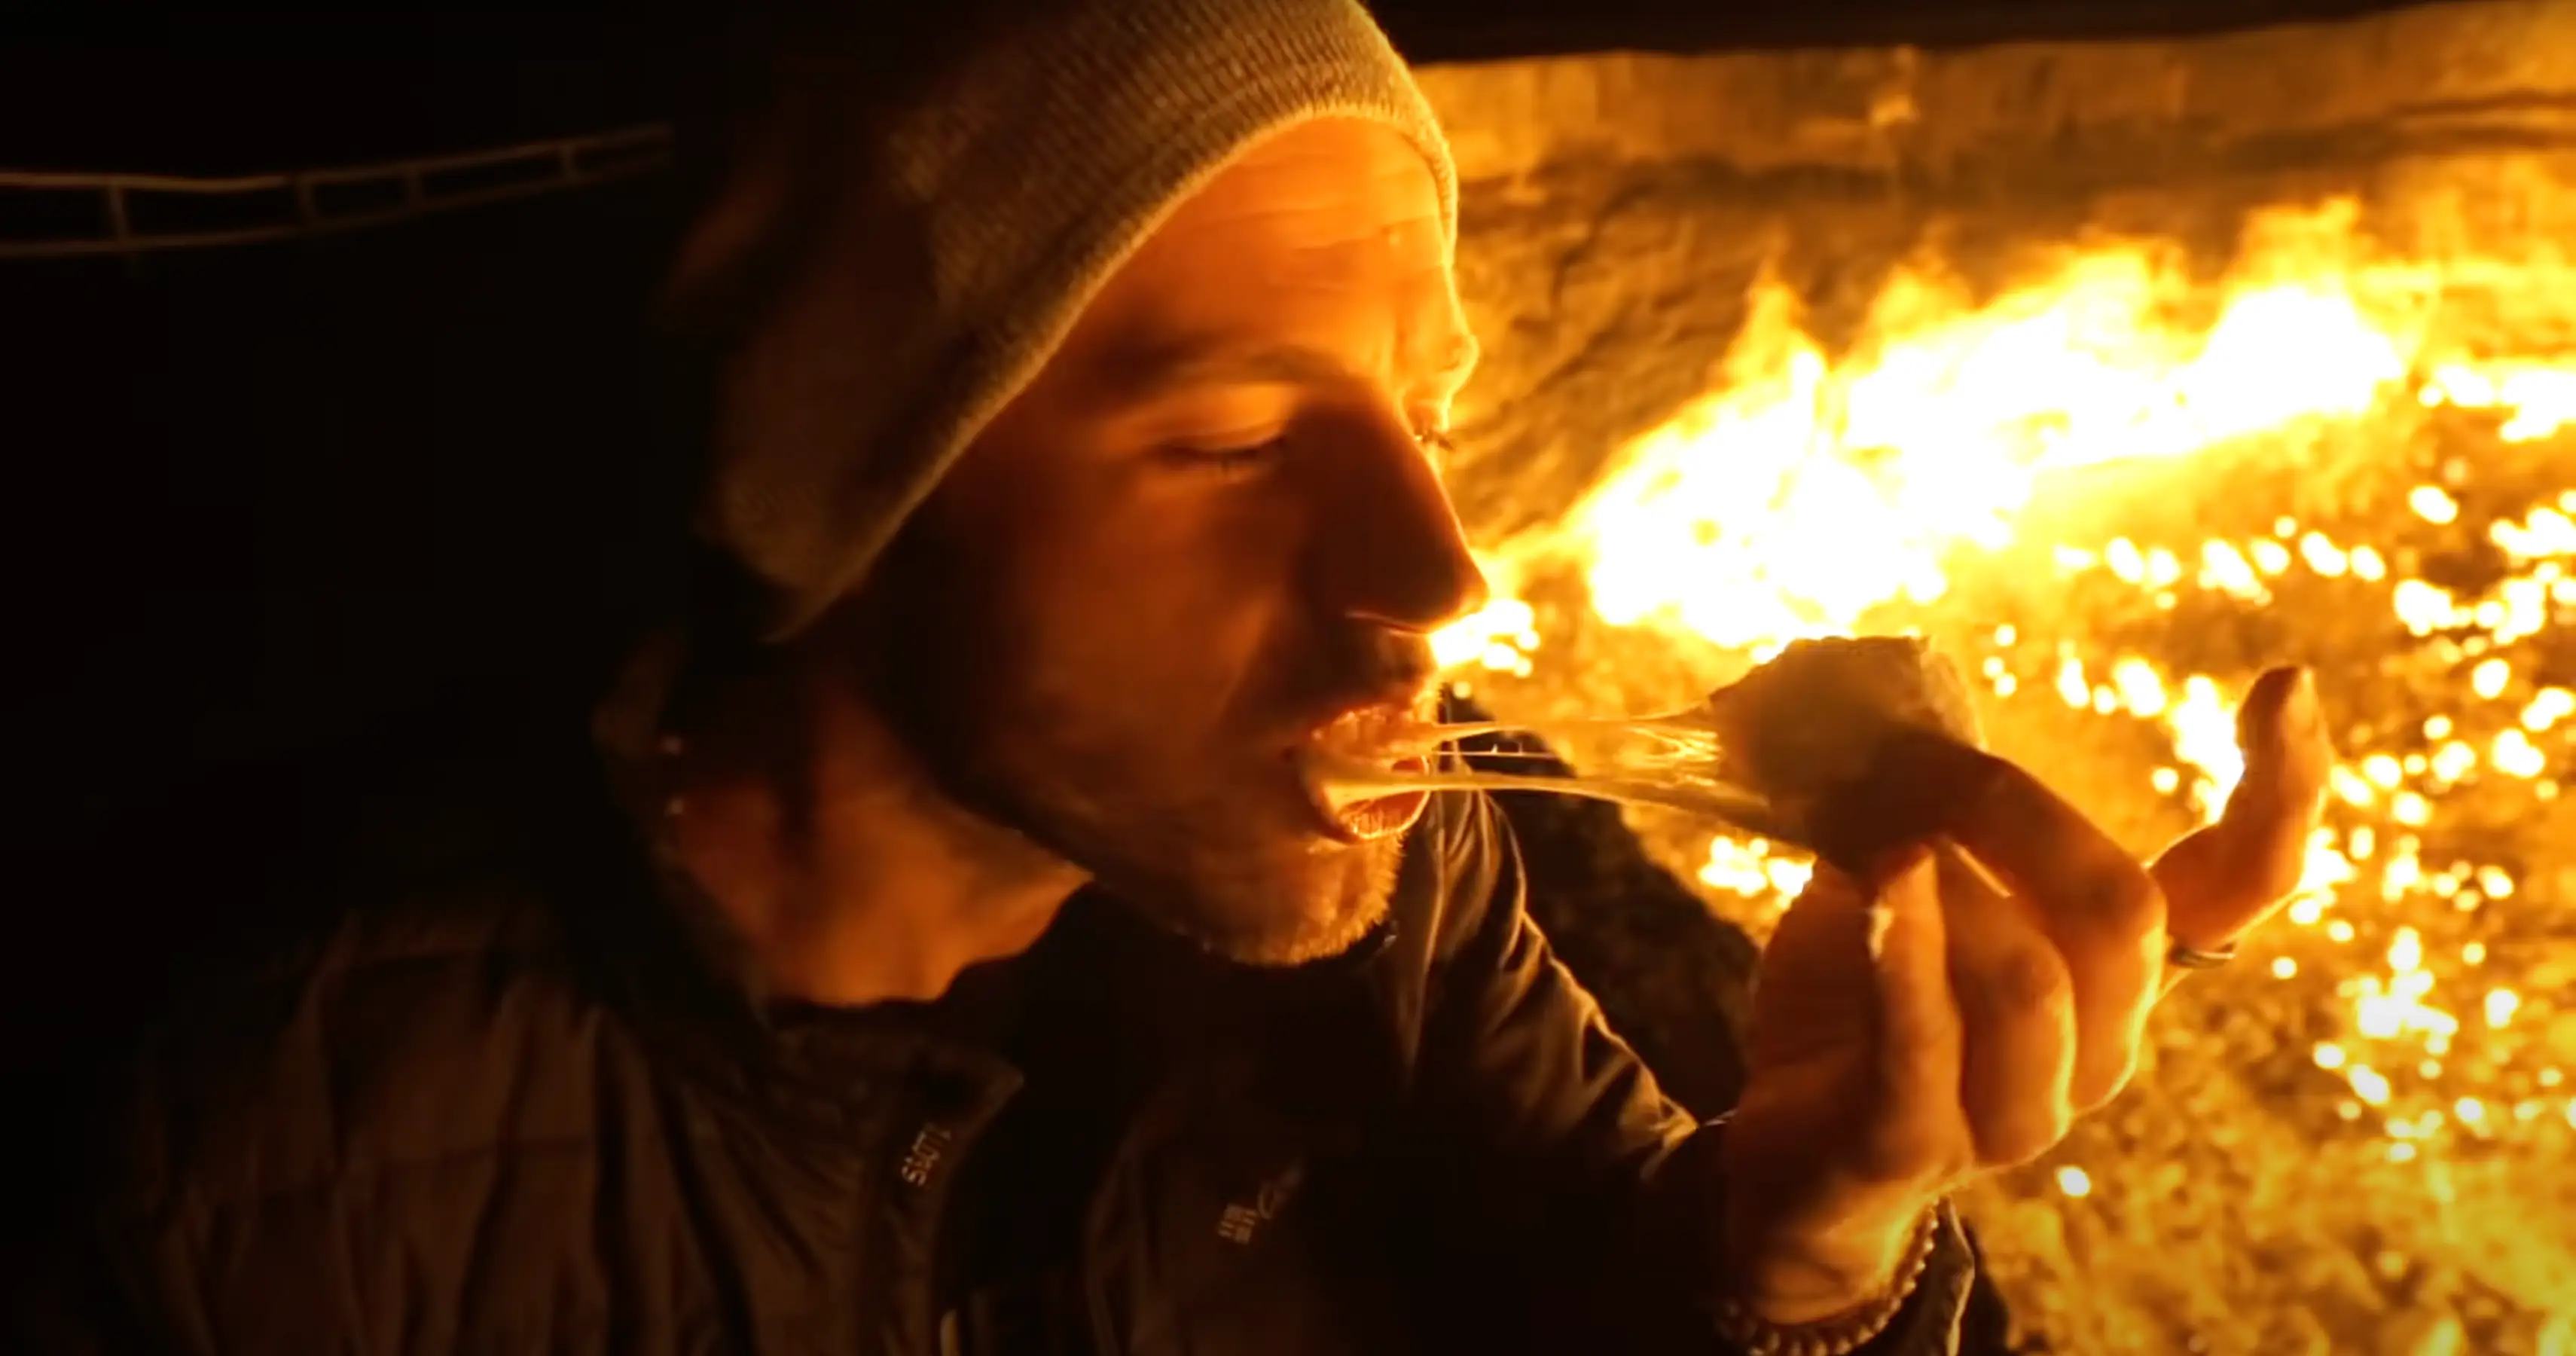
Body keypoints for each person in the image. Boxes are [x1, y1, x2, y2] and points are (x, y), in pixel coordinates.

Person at [12, 1, 2333, 1353]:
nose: (1434, 573)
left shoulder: (1401, 898)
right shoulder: (264, 1167)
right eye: (1230, 441)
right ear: (861, 483)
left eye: (1428, 415)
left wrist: (1797, 1251)